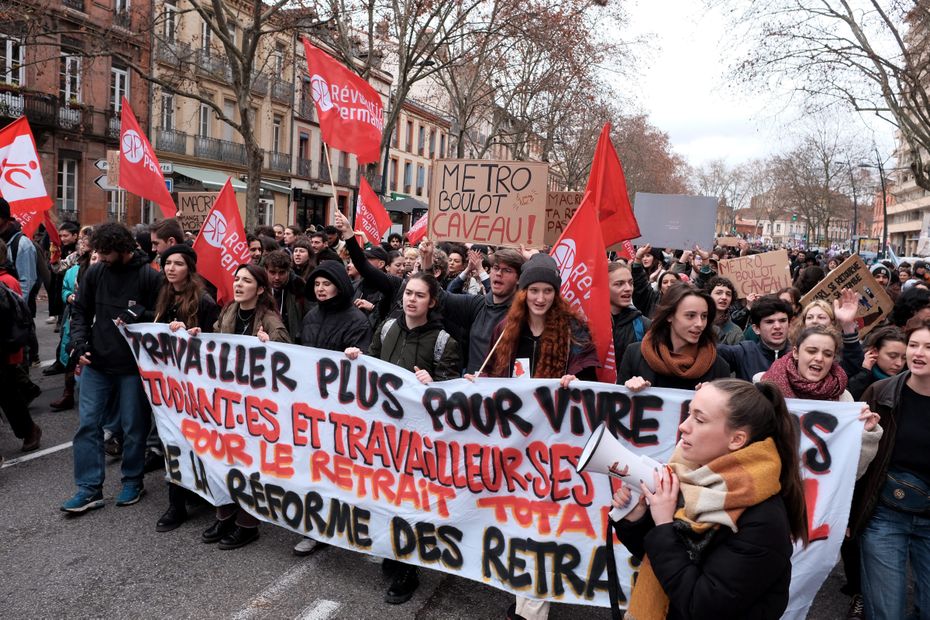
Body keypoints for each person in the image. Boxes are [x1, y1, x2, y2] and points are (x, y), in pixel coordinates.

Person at [611, 379, 809, 619]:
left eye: (699, 419)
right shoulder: (694, 480)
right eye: (688, 414)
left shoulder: (763, 522)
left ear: (737, 440)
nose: (683, 426)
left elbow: (701, 605)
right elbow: (662, 560)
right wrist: (637, 520)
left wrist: (664, 525)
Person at [482, 254, 597, 620]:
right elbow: (491, 379)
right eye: (534, 290)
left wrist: (575, 382)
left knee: (545, 519)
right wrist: (474, 386)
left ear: (556, 293)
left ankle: (531, 604)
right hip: (516, 440)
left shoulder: (574, 330)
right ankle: (527, 594)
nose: (541, 298)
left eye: (548, 291)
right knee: (519, 517)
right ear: (523, 292)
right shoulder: (506, 327)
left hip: (556, 441)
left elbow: (590, 382)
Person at [345, 273, 461, 604]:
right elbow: (372, 365)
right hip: (383, 433)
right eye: (408, 293)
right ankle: (393, 553)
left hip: (419, 441)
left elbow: (452, 397)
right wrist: (358, 358)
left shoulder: (443, 341)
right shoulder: (386, 328)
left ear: (432, 302)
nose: (411, 299)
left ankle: (409, 571)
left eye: (419, 295)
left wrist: (434, 383)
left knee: (412, 504)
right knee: (385, 496)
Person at [61, 223, 162, 513]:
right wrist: (79, 344)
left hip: (132, 367)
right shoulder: (96, 272)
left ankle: (133, 479)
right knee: (88, 425)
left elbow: (162, 316)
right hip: (97, 362)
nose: (101, 257)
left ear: (123, 249)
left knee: (133, 427)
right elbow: (80, 310)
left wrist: (139, 313)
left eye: (105, 253)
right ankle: (89, 488)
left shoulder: (148, 276)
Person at [202, 263, 289, 548]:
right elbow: (213, 340)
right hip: (226, 401)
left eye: (246, 281)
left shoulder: (271, 319)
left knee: (249, 464)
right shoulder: (228, 311)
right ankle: (224, 515)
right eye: (236, 279)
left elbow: (287, 355)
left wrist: (270, 344)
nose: (238, 284)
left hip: (254, 407)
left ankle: (248, 524)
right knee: (222, 457)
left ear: (260, 289)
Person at [850, 317, 930, 620]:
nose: (918, 353)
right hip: (885, 514)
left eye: (928, 347)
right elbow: (858, 460)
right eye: (913, 345)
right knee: (886, 611)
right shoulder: (880, 393)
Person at [149, 244, 220, 533]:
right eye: (167, 263)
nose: (170, 268)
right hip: (168, 385)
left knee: (197, 442)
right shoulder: (163, 294)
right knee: (172, 441)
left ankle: (203, 492)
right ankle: (176, 504)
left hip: (195, 386)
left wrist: (192, 336)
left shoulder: (204, 301)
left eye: (177, 264)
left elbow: (214, 344)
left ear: (189, 268)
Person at [619, 284, 730, 390]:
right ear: (669, 316)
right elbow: (617, 405)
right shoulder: (634, 355)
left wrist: (715, 400)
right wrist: (627, 389)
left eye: (704, 316)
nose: (700, 324)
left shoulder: (719, 367)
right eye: (690, 316)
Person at [0, 239, 41, 455]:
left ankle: (29, 430)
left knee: (8, 394)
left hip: (4, 349)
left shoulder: (5, 283)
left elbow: (13, 320)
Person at [50, 227, 93, 411]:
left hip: (92, 318)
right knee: (70, 351)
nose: (83, 248)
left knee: (87, 356)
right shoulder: (73, 270)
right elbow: (64, 287)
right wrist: (68, 296)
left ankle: (89, 395)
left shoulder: (100, 271)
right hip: (73, 316)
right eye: (81, 246)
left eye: (87, 246)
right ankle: (68, 393)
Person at [848, 326, 907, 400]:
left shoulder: (907, 379)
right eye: (892, 356)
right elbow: (850, 399)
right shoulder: (856, 368)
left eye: (904, 358)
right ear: (875, 351)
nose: (899, 363)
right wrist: (865, 373)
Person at [608, 262, 650, 365]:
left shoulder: (643, 325)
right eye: (619, 284)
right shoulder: (587, 324)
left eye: (630, 283)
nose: (628, 288)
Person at [263, 250, 307, 343]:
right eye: (272, 272)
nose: (277, 277)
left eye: (282, 273)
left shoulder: (299, 288)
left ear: (288, 271)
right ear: (265, 270)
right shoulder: (260, 288)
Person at [706, 276, 743, 344]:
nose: (724, 297)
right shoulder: (699, 323)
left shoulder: (736, 332)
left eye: (728, 294)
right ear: (709, 295)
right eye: (719, 293)